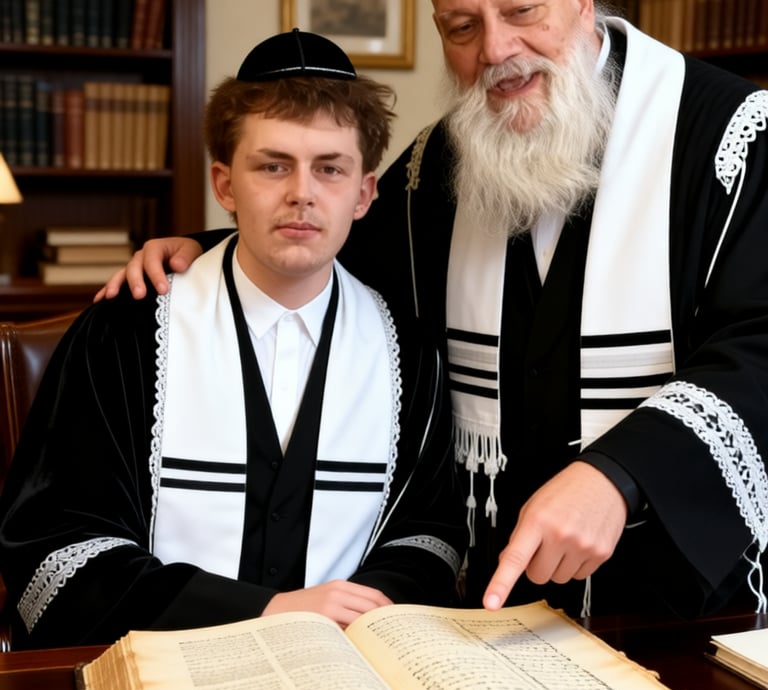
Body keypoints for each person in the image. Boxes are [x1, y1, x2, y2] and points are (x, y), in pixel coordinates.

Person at [98, 0, 768, 620]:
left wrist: (621, 475)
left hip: (685, 611)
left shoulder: (734, 136)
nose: (497, 49)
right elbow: (324, 237)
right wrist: (206, 249)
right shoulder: (437, 166)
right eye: (461, 27)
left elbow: (761, 342)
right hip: (497, 617)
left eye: (521, 10)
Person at [0, 29, 468, 650]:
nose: (302, 192)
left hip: (344, 671)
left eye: (329, 169)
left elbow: (428, 537)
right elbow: (56, 550)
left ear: (364, 194)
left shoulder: (407, 351)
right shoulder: (129, 330)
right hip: (161, 672)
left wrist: (357, 616)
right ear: (225, 185)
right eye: (273, 166)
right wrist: (265, 611)